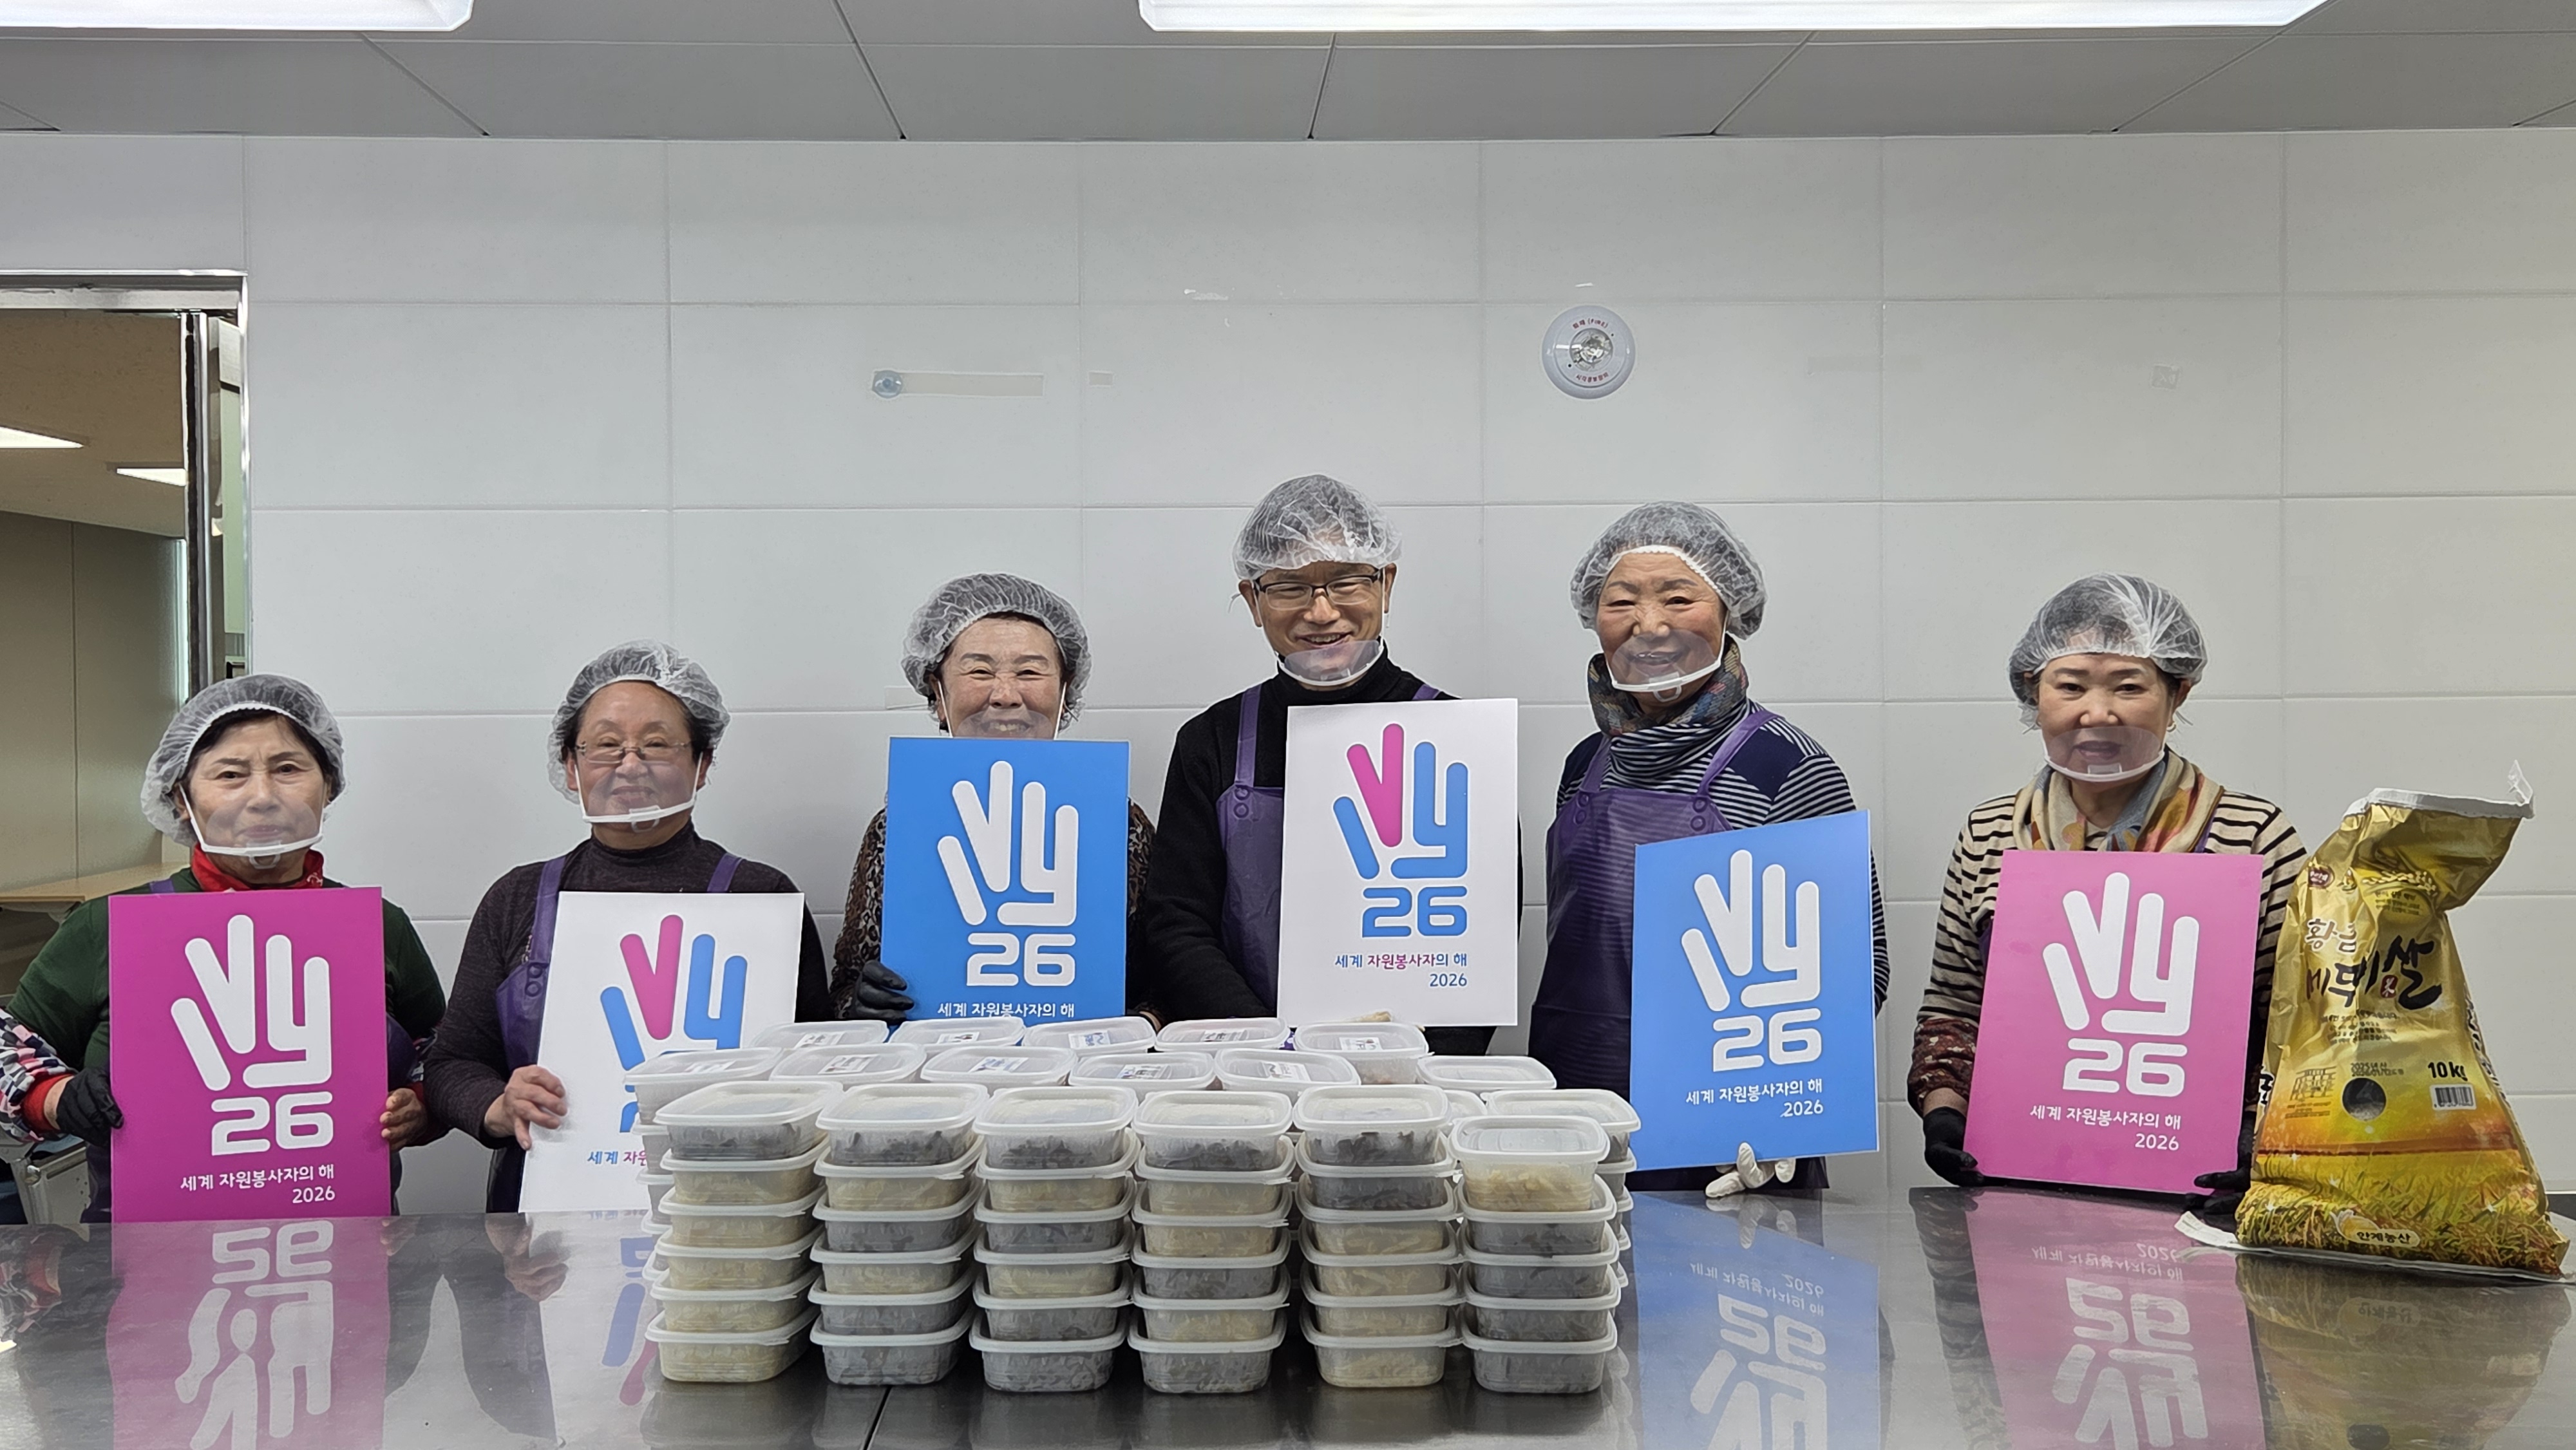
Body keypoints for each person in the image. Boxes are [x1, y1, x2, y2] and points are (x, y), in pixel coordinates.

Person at [1530, 502, 1888, 1196]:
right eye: (1622, 600)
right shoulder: (1584, 765)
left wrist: (1783, 1111)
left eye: (1678, 598)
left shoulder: (1785, 765)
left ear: (1730, 611)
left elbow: (1857, 967)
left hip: (1729, 1136)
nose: (1650, 623)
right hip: (1581, 1115)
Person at [1909, 575, 2305, 1201]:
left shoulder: (2253, 835)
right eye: (2070, 686)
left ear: (2177, 693)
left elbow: (2302, 1020)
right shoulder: (1991, 834)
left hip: (2201, 1185)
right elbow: (1954, 1004)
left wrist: (2261, 1141)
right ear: (2032, 692)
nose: (2098, 712)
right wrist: (1945, 1113)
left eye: (2128, 686)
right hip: (2025, 1183)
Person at [12, 675, 449, 1219]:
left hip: (342, 1240)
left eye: (288, 769)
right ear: (181, 796)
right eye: (230, 774)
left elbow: (443, 1053)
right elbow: (9, 1048)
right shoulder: (107, 927)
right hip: (148, 1248)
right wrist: (55, 1098)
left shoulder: (379, 926)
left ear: (329, 786)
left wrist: (421, 1106)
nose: (262, 797)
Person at [423, 641, 833, 1211]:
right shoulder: (517, 899)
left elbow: (817, 1063)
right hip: (545, 1223)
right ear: (571, 766)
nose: (631, 765)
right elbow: (452, 1063)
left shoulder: (762, 896)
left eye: (657, 745)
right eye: (606, 745)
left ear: (703, 764)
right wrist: (497, 1105)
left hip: (731, 1213)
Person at [1135, 475, 1495, 1055]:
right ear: (1253, 601)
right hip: (1251, 1069)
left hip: (1415, 1074)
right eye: (1289, 587)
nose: (1321, 611)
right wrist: (1272, 1050)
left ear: (1386, 584)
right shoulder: (1212, 741)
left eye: (1346, 581)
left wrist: (1419, 1064)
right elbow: (1178, 923)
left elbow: (1485, 935)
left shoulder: (1463, 739)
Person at [829, 573, 1158, 1021]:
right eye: (980, 671)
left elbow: (1166, 977)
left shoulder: (1121, 825)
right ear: (938, 694)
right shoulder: (898, 826)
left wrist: (1141, 1024)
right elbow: (845, 981)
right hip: (937, 1059)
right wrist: (859, 1004)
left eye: (1029, 672)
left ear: (1066, 691)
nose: (1005, 695)